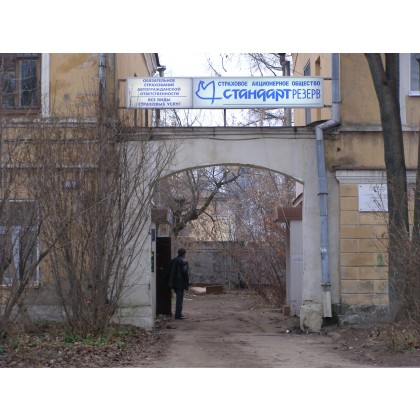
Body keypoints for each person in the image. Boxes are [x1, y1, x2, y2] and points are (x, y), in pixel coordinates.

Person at [168, 248, 190, 319]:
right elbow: (185, 273)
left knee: (178, 298)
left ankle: (178, 314)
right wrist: (187, 284)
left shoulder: (173, 260)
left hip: (173, 282)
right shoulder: (184, 261)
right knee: (179, 299)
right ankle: (178, 315)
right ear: (184, 253)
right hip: (180, 283)